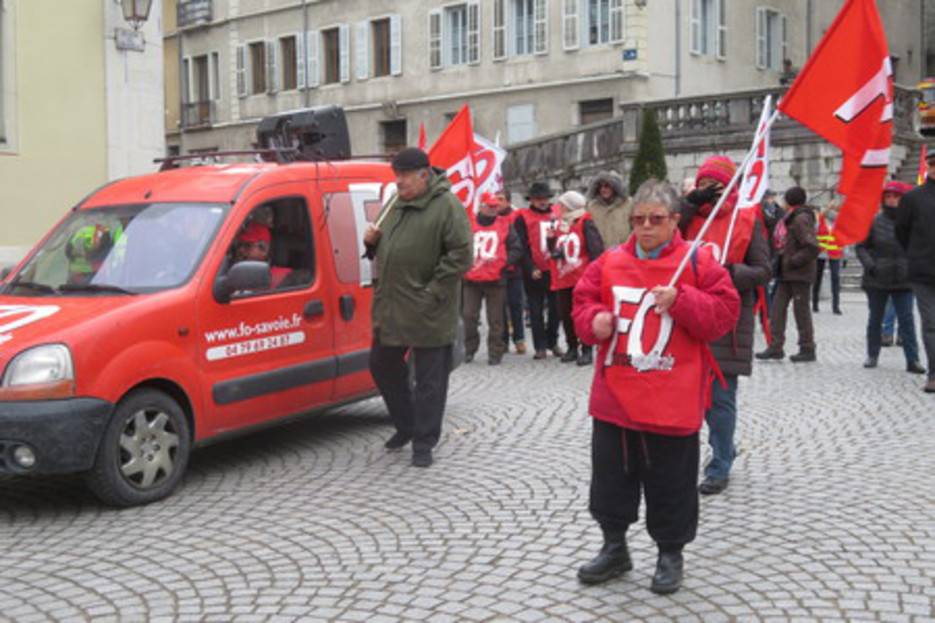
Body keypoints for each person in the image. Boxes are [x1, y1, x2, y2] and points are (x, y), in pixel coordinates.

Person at [573, 180, 740, 595]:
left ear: (674, 220)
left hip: (672, 396)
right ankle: (614, 547)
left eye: (655, 219)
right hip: (616, 394)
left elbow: (725, 313)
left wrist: (683, 300)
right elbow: (583, 301)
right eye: (638, 219)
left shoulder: (698, 261)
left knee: (671, 482)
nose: (645, 226)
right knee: (611, 480)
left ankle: (670, 553)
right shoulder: (610, 260)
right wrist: (593, 321)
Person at [363, 147, 473, 466]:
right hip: (392, 305)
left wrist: (432, 291)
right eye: (396, 175)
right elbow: (389, 247)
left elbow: (461, 256)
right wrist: (371, 245)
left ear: (424, 175)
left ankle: (424, 442)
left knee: (429, 380)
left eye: (405, 176)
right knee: (381, 364)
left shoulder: (447, 206)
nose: (398, 182)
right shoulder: (395, 203)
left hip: (429, 308)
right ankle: (407, 424)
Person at [680, 155, 772, 495]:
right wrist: (690, 204)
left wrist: (729, 273)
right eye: (703, 184)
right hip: (688, 315)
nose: (710, 190)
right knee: (691, 398)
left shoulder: (746, 219)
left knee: (719, 399)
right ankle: (721, 448)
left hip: (727, 320)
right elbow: (660, 239)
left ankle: (719, 464)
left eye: (716, 185)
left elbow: (763, 270)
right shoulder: (687, 218)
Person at [856, 181, 926, 375]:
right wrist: (871, 266)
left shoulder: (912, 223)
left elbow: (920, 246)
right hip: (877, 278)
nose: (892, 200)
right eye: (888, 196)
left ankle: (913, 359)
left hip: (904, 279)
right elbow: (861, 247)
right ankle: (872, 354)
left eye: (896, 196)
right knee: (875, 319)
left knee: (907, 320)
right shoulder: (874, 221)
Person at [756, 187, 820, 362]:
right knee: (777, 310)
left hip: (799, 273)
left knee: (801, 312)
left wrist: (793, 261)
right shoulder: (790, 217)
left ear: (790, 201)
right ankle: (776, 346)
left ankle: (807, 348)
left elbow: (812, 247)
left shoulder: (800, 219)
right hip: (786, 274)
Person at [462, 192, 523, 366]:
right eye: (489, 206)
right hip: (472, 279)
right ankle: (469, 349)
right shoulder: (468, 224)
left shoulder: (505, 224)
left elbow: (516, 248)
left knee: (496, 319)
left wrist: (503, 263)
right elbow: (458, 245)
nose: (493, 209)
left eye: (495, 206)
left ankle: (496, 351)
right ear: (481, 206)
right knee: (468, 316)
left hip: (496, 279)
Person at [547, 190, 604, 366]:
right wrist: (550, 240)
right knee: (566, 314)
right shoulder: (562, 224)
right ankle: (572, 347)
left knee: (582, 315)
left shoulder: (585, 222)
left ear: (569, 206)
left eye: (562, 205)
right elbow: (555, 250)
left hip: (581, 277)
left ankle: (586, 349)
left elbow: (595, 249)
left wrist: (594, 276)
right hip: (563, 277)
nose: (559, 208)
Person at [896, 151, 935, 394]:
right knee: (931, 324)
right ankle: (934, 373)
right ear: (928, 166)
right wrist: (916, 253)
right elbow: (901, 231)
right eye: (933, 164)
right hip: (924, 272)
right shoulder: (912, 198)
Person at [514, 181, 563, 360]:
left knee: (556, 309)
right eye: (538, 198)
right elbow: (521, 245)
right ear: (532, 200)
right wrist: (530, 267)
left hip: (555, 269)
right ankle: (540, 346)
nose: (542, 201)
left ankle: (553, 341)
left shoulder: (557, 215)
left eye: (545, 198)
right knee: (535, 310)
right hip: (534, 270)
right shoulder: (523, 217)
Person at [496, 190, 527, 355]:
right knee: (499, 307)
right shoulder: (491, 218)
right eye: (496, 199)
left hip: (514, 268)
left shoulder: (516, 217)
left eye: (501, 199)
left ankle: (519, 338)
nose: (498, 202)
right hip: (497, 270)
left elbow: (521, 243)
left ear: (508, 202)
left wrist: (510, 260)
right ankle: (503, 340)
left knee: (516, 305)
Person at [233, 221, 292, 288]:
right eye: (239, 245)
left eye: (247, 245)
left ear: (264, 249)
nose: (241, 250)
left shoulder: (283, 278)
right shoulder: (236, 271)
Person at [586, 171, 632, 248]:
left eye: (607, 186)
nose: (603, 189)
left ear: (615, 187)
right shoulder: (592, 207)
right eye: (600, 186)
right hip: (602, 253)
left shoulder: (628, 204)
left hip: (625, 250)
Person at [813, 204, 843, 314]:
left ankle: (836, 306)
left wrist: (845, 256)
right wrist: (827, 208)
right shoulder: (820, 222)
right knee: (817, 278)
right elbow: (814, 232)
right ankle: (815, 303)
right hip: (821, 253)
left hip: (835, 253)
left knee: (835, 278)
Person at [759, 189, 784, 313]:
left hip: (775, 247)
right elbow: (768, 222)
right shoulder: (760, 209)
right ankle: (767, 307)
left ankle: (771, 303)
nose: (772, 200)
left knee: (774, 276)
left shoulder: (779, 211)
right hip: (764, 246)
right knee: (766, 277)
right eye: (770, 197)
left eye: (773, 197)